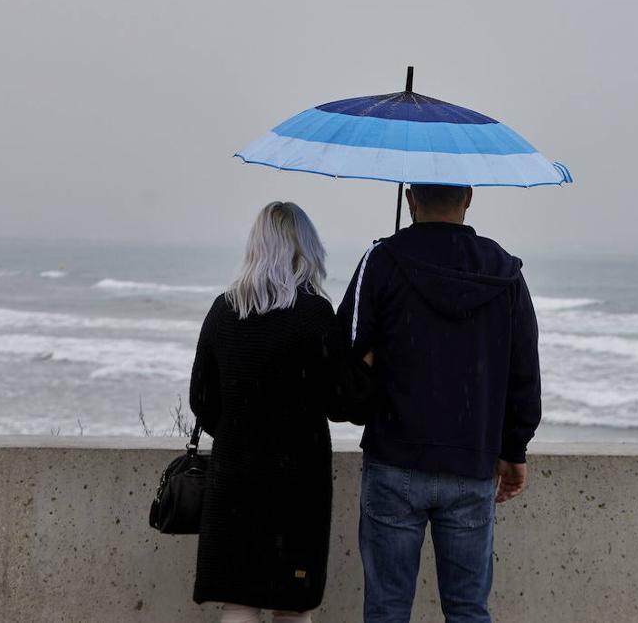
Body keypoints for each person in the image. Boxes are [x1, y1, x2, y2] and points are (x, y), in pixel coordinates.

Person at [337, 183, 541, 623]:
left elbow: (342, 359)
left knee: (387, 610)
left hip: (394, 460)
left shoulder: (383, 260)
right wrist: (514, 449)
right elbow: (524, 370)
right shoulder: (504, 272)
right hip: (472, 466)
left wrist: (364, 384)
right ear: (468, 197)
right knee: (468, 610)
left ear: (410, 198)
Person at [189, 202, 335, 623]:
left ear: (255, 248)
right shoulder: (315, 315)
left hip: (235, 475)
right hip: (299, 482)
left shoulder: (224, 310)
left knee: (238, 599)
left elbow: (201, 400)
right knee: (292, 603)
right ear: (307, 249)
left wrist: (239, 432)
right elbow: (341, 402)